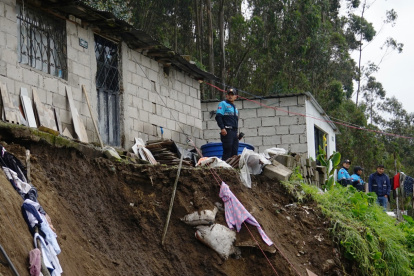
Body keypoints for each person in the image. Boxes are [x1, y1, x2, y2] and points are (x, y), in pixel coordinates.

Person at [215, 88, 239, 161]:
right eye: (229, 94)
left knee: (234, 153)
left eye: (232, 95)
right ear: (226, 96)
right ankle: (225, 168)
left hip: (234, 132)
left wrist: (236, 133)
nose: (230, 96)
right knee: (227, 151)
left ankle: (232, 170)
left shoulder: (235, 108)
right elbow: (218, 117)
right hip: (227, 131)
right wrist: (222, 128)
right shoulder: (223, 104)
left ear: (236, 97)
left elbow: (235, 121)